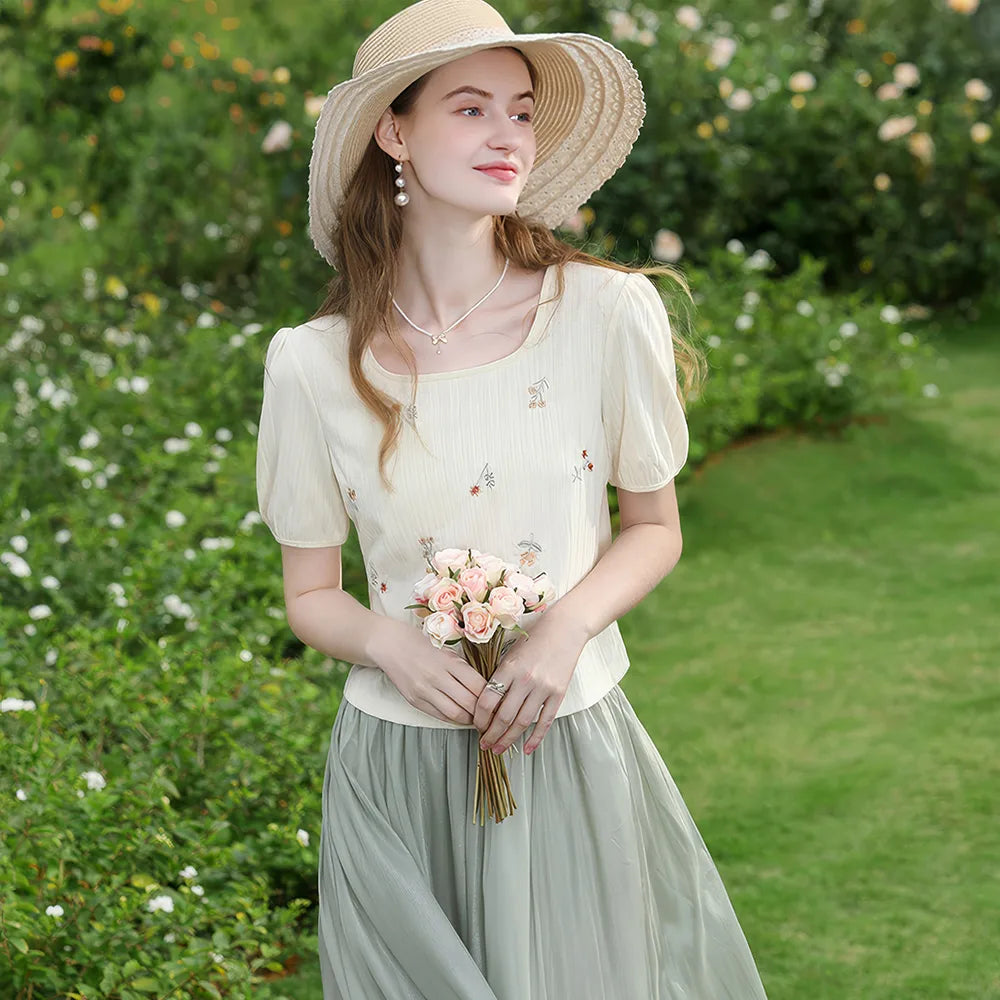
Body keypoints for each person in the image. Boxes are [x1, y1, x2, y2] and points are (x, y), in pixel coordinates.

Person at [255, 0, 771, 996]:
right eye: (471, 108)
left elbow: (652, 527)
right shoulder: (310, 365)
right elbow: (311, 593)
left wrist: (560, 630)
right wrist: (391, 642)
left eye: (522, 112)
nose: (507, 137)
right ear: (394, 132)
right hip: (393, 765)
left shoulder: (606, 313)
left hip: (561, 738)